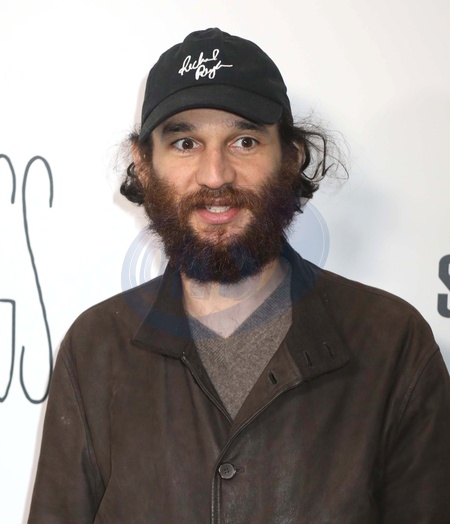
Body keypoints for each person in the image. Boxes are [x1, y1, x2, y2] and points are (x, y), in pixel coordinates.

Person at [28, 28, 450, 523]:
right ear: (143, 164)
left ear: (290, 157)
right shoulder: (94, 349)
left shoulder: (393, 342)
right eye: (185, 143)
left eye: (244, 141)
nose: (215, 175)